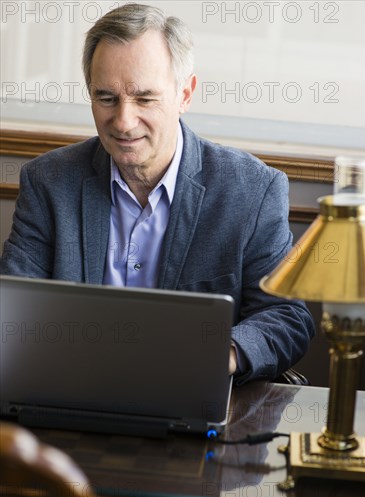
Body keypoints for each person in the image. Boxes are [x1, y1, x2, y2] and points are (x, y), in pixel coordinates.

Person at [0, 3, 314, 384]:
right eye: (106, 97)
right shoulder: (48, 182)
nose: (124, 121)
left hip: (190, 394)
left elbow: (286, 316)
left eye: (145, 98)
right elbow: (13, 310)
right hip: (71, 390)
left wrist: (223, 354)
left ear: (185, 94)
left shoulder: (252, 191)